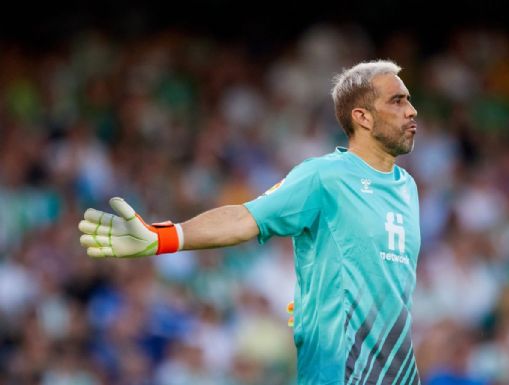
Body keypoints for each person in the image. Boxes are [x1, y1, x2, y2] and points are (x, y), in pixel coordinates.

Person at [78, 59, 421, 385]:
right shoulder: (325, 176)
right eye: (397, 101)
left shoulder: (407, 188)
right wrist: (162, 237)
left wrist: (317, 299)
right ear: (362, 117)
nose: (412, 110)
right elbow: (244, 218)